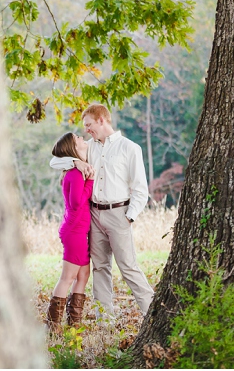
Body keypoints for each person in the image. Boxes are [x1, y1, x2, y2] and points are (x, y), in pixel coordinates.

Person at [50, 103, 155, 319]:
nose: (86, 130)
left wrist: (130, 216)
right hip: (94, 215)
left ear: (101, 120)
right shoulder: (90, 147)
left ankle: (152, 314)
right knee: (100, 267)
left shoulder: (129, 148)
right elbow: (54, 160)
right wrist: (74, 162)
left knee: (128, 267)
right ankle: (104, 319)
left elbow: (140, 189)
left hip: (120, 213)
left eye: (89, 124)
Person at [46, 132, 93, 334]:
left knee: (83, 274)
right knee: (68, 277)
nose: (83, 139)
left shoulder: (76, 168)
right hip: (74, 231)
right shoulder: (74, 173)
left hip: (80, 231)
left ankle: (74, 323)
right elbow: (76, 203)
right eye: (78, 139)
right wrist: (90, 181)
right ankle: (53, 325)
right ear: (73, 149)